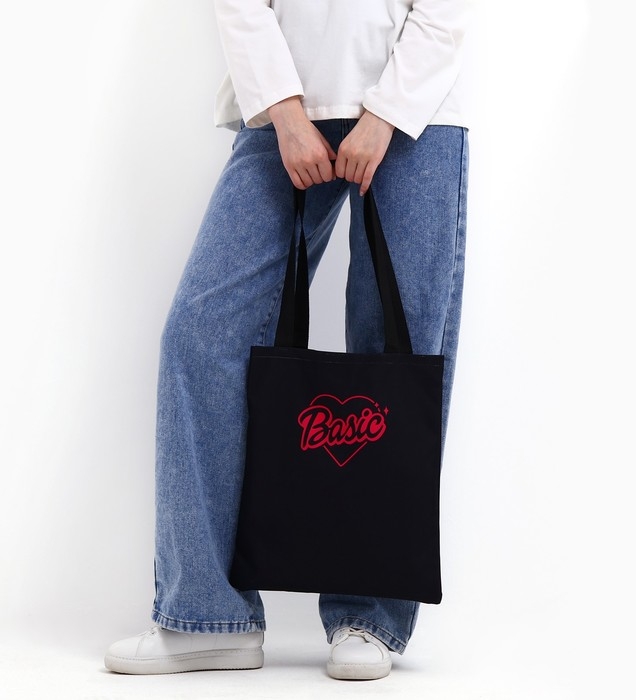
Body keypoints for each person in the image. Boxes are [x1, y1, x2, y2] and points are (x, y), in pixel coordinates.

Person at [104, 0, 469, 682]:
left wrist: (386, 113)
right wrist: (286, 112)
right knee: (200, 335)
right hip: (284, 112)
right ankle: (206, 615)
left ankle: (370, 614)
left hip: (416, 112)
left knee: (395, 356)